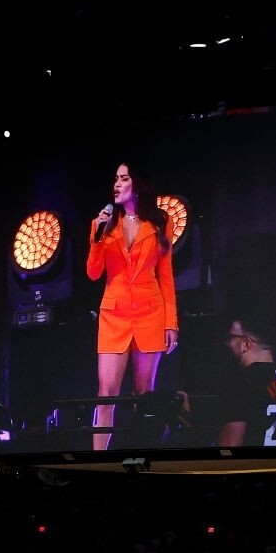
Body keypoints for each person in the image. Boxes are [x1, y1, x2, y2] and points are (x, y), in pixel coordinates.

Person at [86, 162, 177, 451]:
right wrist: (97, 237)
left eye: (123, 178)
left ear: (137, 184)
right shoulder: (103, 223)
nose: (116, 184)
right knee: (106, 393)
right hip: (114, 315)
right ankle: (98, 457)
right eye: (115, 178)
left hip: (150, 313)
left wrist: (171, 323)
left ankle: (143, 453)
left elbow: (165, 275)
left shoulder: (161, 222)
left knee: (144, 393)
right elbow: (93, 272)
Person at [215, 314, 276, 449]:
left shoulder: (239, 382)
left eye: (230, 337)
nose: (227, 343)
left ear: (246, 343)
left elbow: (230, 446)